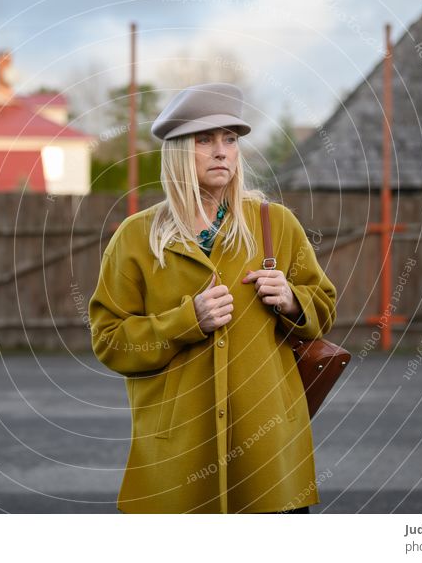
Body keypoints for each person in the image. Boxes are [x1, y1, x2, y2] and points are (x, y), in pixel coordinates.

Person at [88, 83, 337, 514]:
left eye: (230, 139)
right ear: (178, 152)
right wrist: (186, 322)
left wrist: (293, 301)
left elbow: (325, 305)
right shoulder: (135, 237)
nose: (221, 151)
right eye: (205, 139)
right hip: (177, 458)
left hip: (268, 454)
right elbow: (110, 340)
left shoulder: (275, 223)